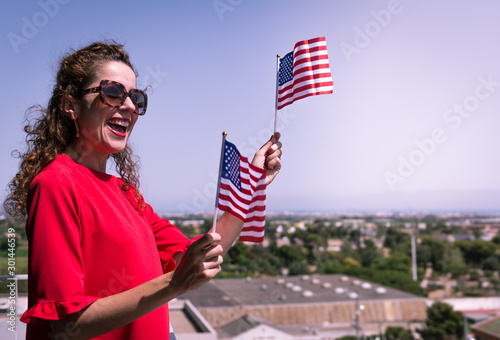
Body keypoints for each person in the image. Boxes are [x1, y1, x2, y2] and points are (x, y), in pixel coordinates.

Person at [3, 41, 282, 340]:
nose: (130, 106)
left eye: (136, 97)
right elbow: (67, 325)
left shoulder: (125, 193)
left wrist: (253, 184)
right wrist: (173, 285)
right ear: (70, 105)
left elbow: (201, 255)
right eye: (112, 93)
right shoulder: (56, 184)